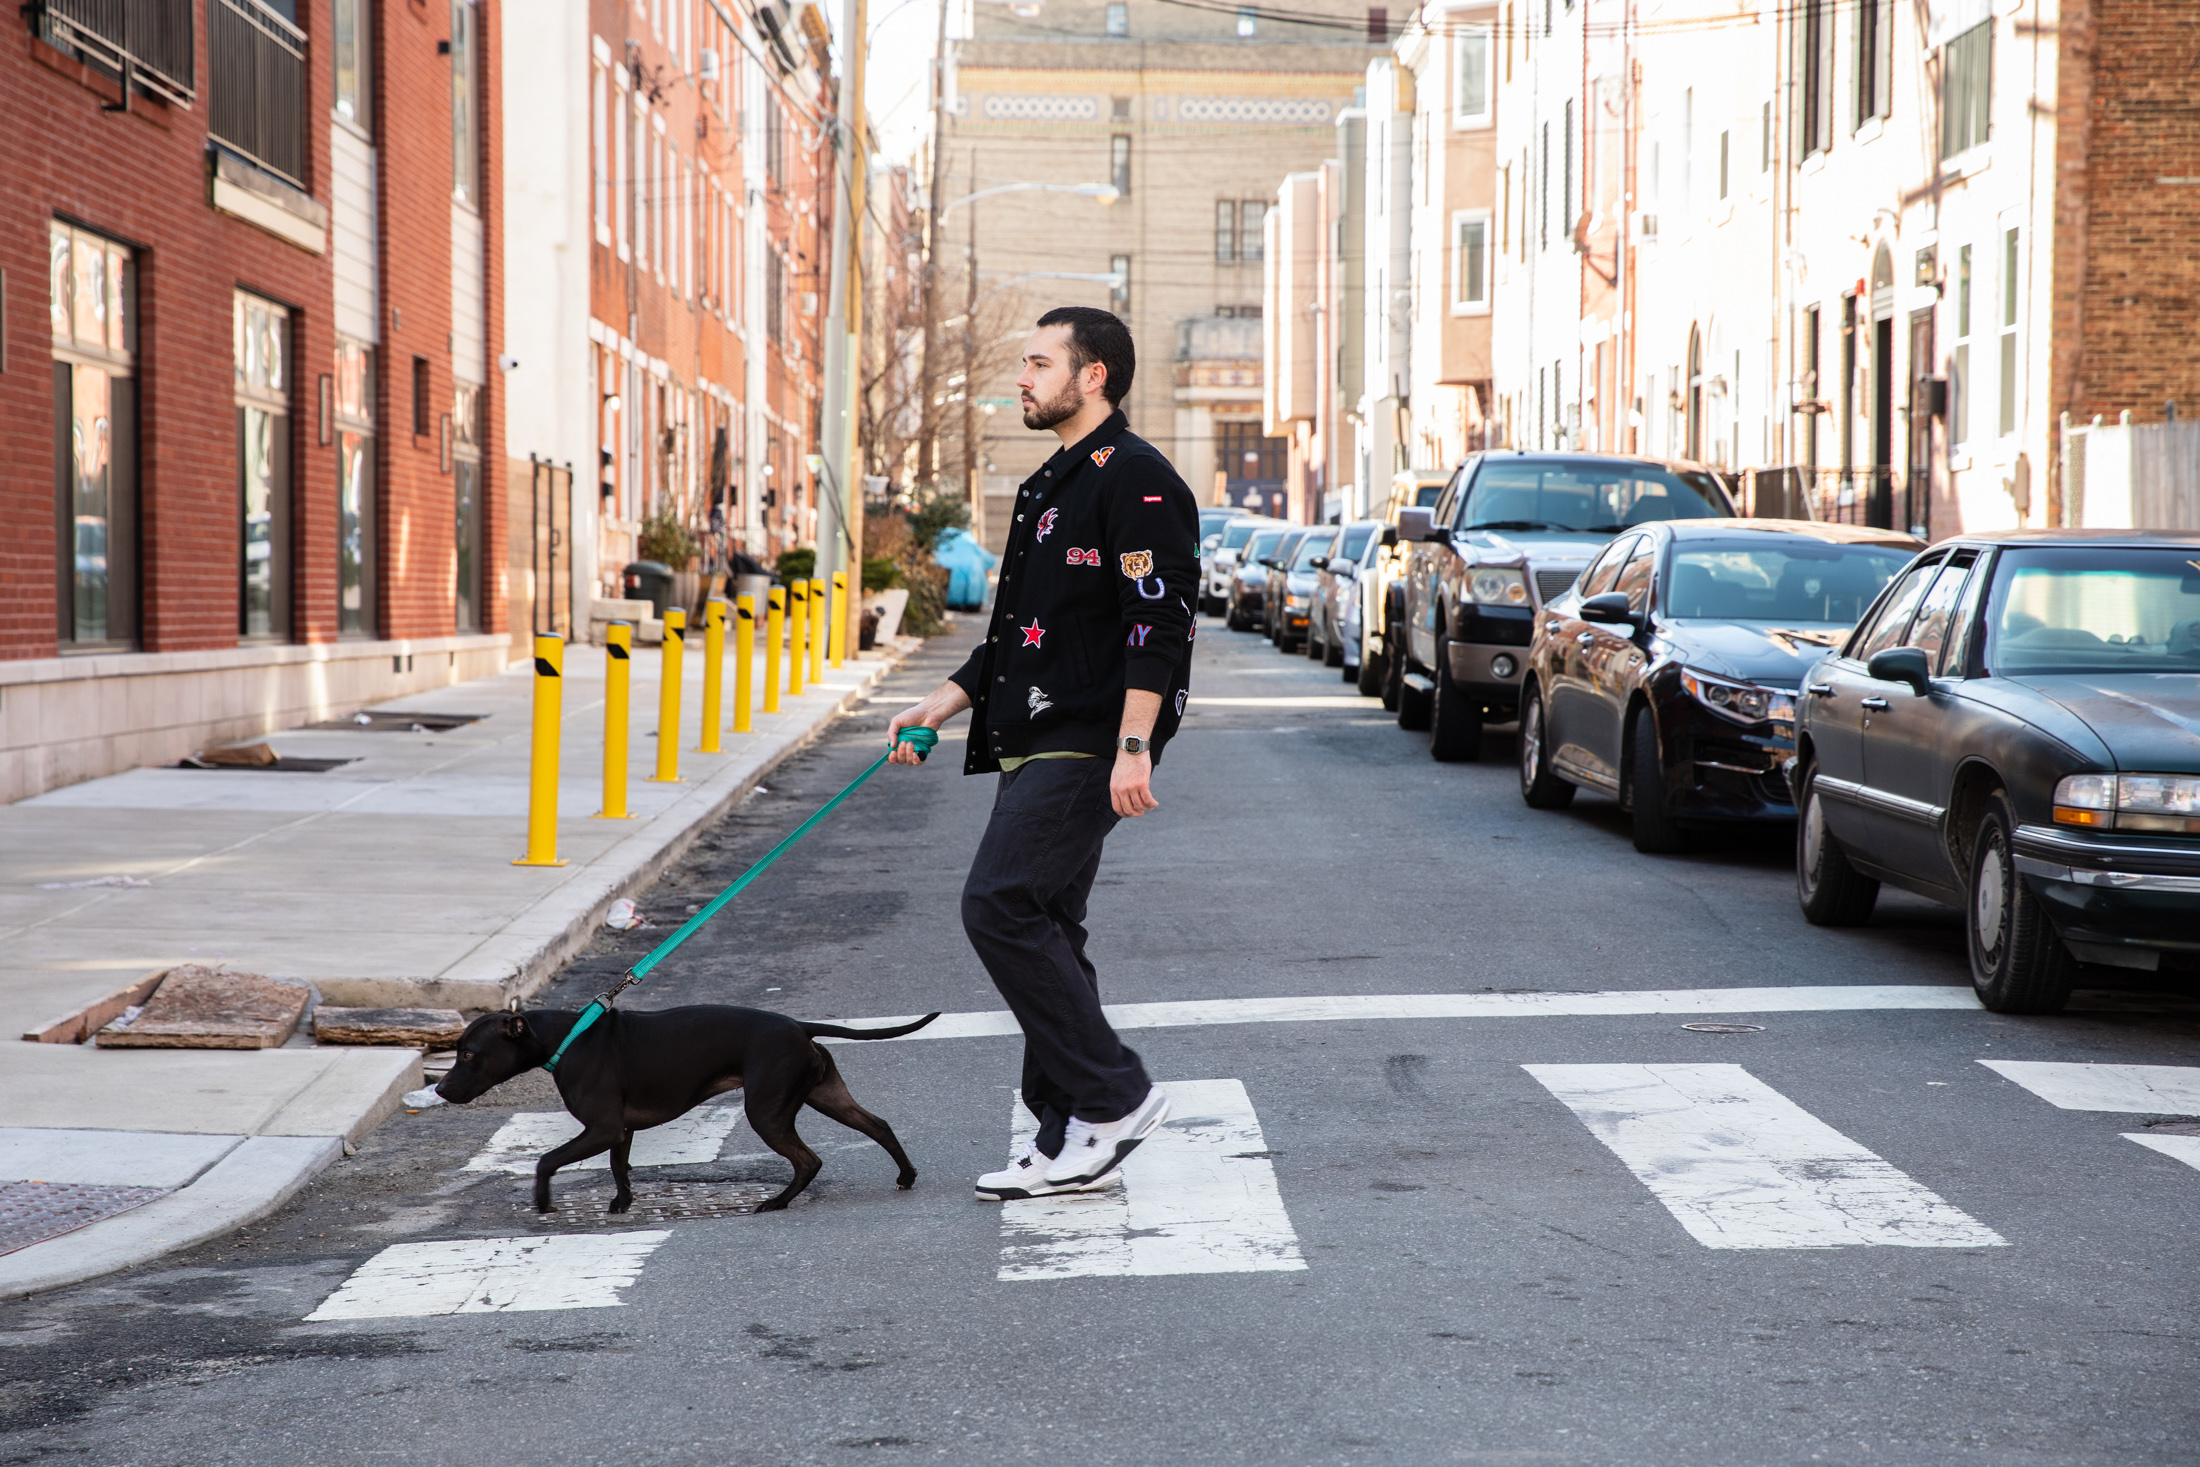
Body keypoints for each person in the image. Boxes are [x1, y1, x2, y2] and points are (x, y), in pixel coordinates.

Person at [887, 305, 1198, 1199]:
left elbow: (1159, 622)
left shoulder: (1134, 480)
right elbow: (1024, 634)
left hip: (1091, 738)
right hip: (1035, 731)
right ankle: (1064, 1135)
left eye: (1036, 361)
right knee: (1049, 926)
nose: (1020, 377)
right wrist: (941, 704)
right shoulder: (1052, 485)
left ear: (1091, 374)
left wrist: (1134, 744)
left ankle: (1115, 1095)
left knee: (999, 902)